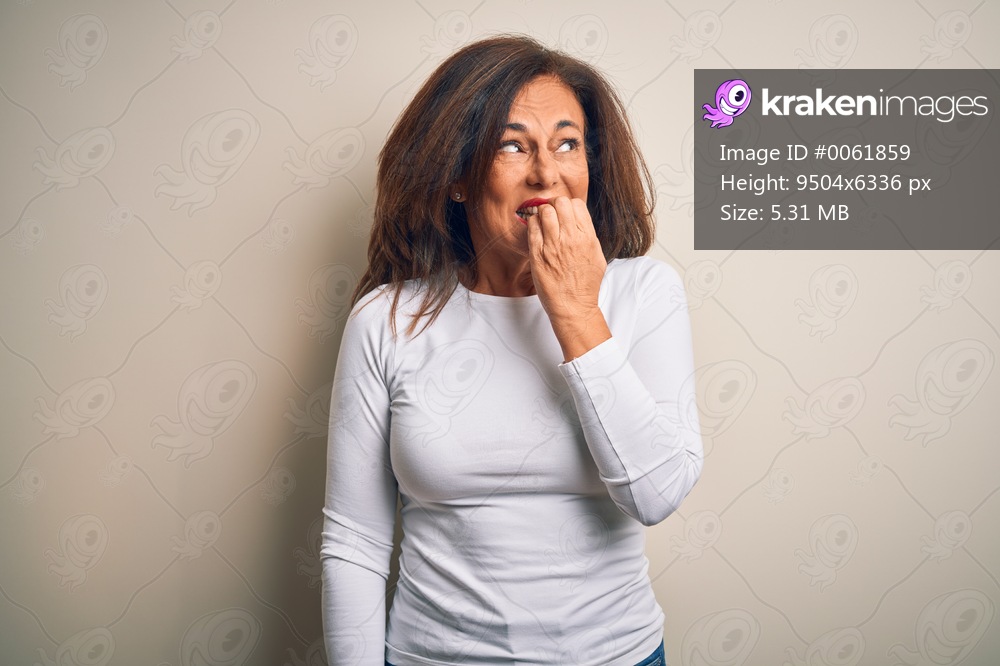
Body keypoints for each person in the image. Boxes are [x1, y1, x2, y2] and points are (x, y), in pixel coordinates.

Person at [321, 35, 703, 666]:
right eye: (512, 144)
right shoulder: (386, 320)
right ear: (457, 180)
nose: (545, 173)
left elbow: (656, 493)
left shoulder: (647, 293)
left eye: (567, 144)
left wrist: (576, 310)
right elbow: (354, 541)